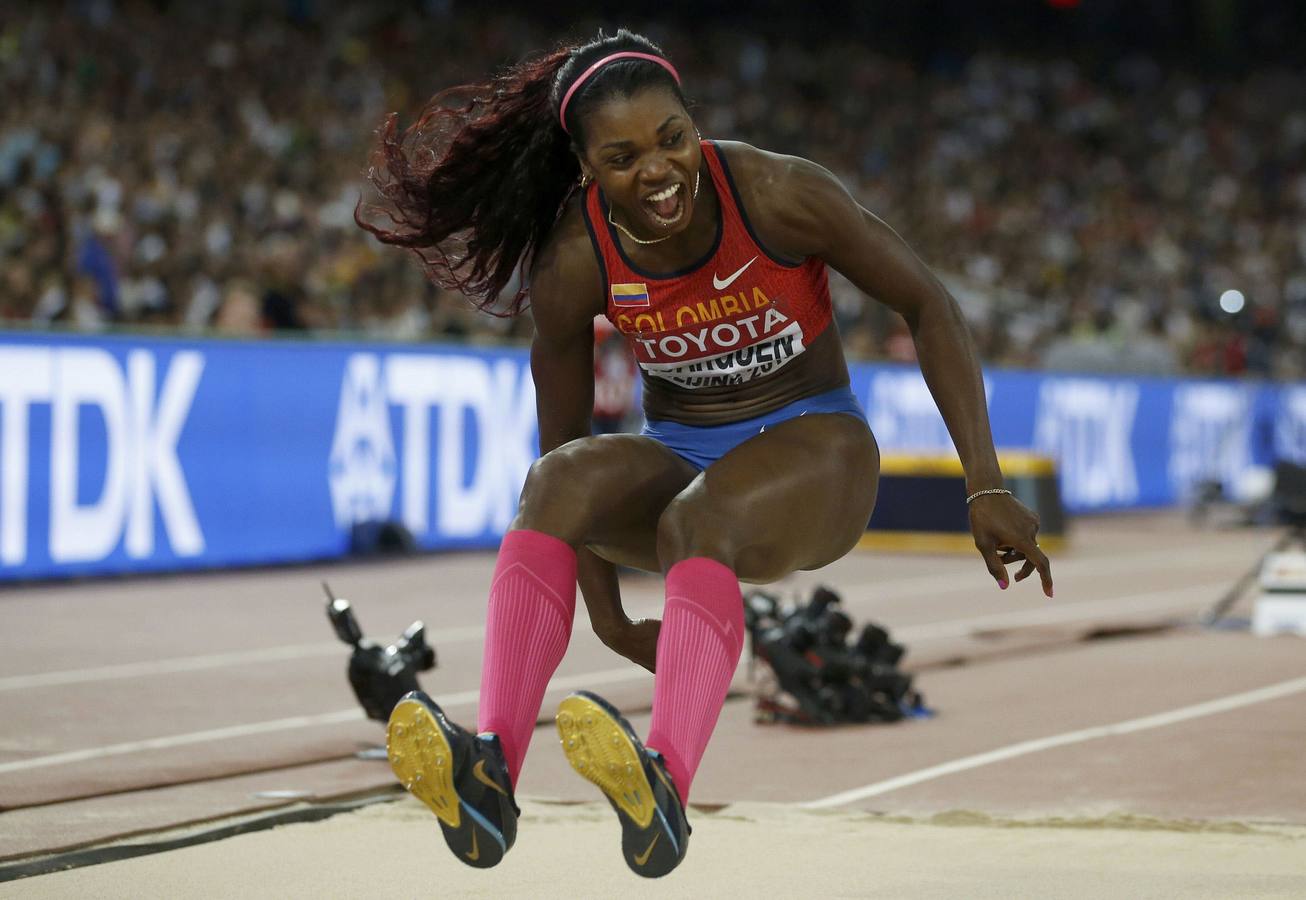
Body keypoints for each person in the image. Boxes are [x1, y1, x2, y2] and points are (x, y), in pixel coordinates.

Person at [357, 28, 1053, 878]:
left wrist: (983, 486)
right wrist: (608, 621)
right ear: (587, 170)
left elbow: (929, 302)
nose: (656, 169)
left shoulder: (777, 193)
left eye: (672, 139)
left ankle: (666, 786)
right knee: (556, 479)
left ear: (696, 126)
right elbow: (562, 470)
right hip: (684, 451)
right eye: (622, 157)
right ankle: (489, 771)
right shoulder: (576, 259)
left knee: (698, 519)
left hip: (818, 451)